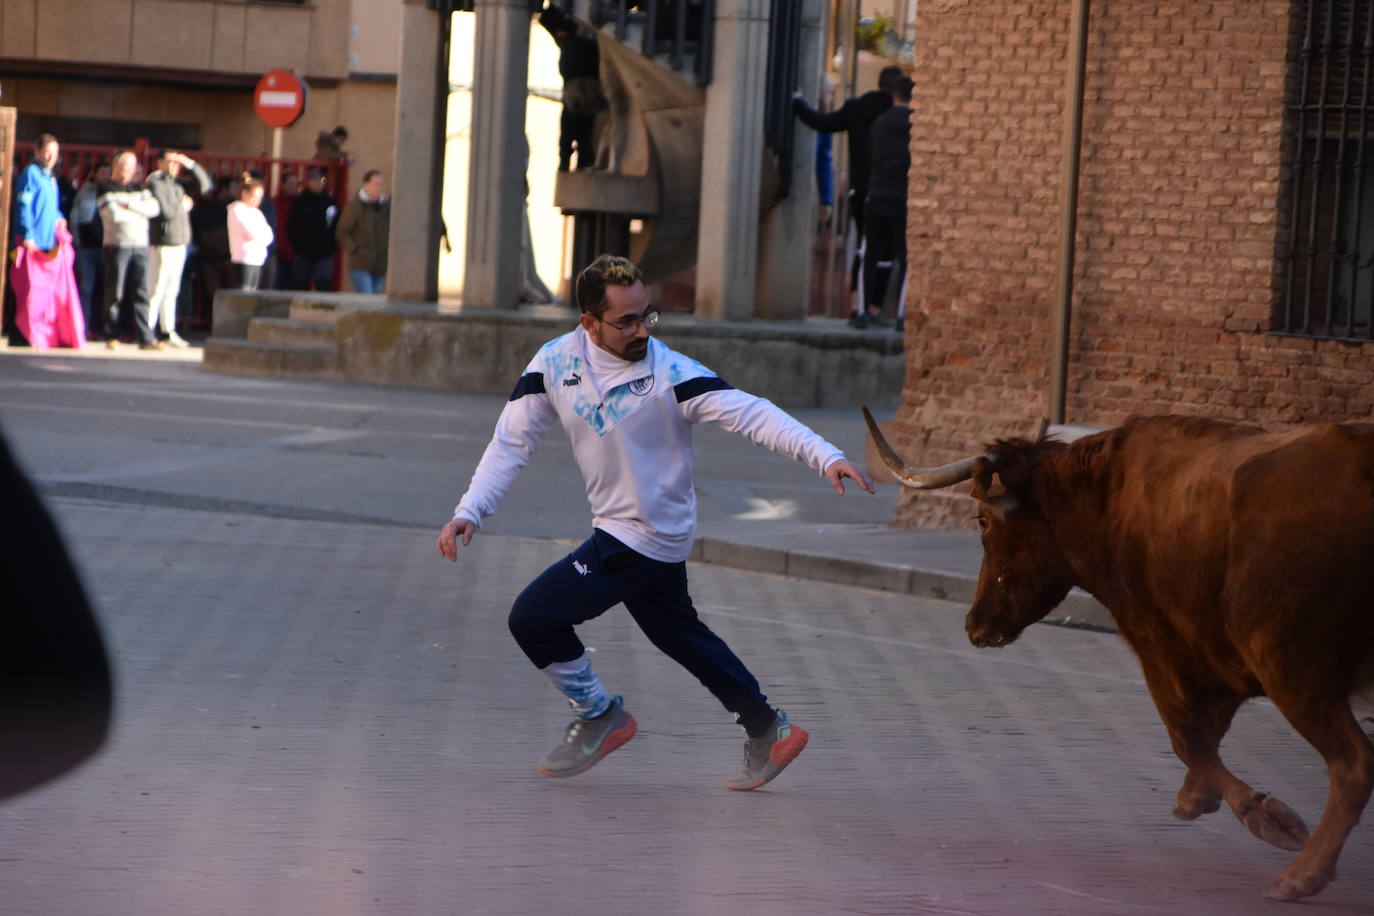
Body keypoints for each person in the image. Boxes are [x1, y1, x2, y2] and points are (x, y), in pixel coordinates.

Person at [435, 254, 875, 789]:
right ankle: (767, 728)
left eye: (648, 316)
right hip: (631, 533)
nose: (642, 329)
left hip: (643, 535)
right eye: (627, 321)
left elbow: (754, 414)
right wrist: (469, 510)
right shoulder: (553, 364)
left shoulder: (671, 374)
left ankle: (599, 715)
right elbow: (511, 444)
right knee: (678, 634)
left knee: (533, 617)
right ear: (588, 323)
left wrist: (825, 455)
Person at [793, 65, 901, 326]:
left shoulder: (855, 108)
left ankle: (856, 306)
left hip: (861, 190)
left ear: (878, 83)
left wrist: (797, 101)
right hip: (894, 193)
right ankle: (875, 308)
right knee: (888, 251)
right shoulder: (898, 117)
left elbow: (822, 122)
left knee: (864, 249)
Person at [10, 135, 83, 349]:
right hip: (26, 244)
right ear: (37, 152)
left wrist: (59, 218)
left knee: (41, 292)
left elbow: (51, 208)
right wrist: (27, 235)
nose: (51, 156)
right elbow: (23, 207)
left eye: (55, 152)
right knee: (23, 290)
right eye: (47, 151)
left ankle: (35, 332)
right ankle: (18, 333)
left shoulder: (50, 178)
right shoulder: (30, 175)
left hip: (46, 245)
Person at [863, 75, 914, 330]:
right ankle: (901, 314)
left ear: (893, 95)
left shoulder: (879, 123)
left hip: (877, 194)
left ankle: (865, 309)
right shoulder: (916, 127)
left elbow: (870, 155)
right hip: (902, 198)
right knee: (904, 258)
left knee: (871, 253)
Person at [98, 150, 162, 350]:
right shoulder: (105, 188)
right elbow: (114, 216)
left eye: (131, 166)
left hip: (140, 245)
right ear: (115, 166)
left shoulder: (140, 188)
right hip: (117, 245)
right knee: (114, 292)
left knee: (142, 292)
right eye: (123, 165)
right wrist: (138, 211)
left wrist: (129, 205)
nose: (127, 170)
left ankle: (146, 337)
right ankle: (111, 335)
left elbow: (154, 209)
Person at [146, 150, 210, 347]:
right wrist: (182, 206)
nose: (175, 166)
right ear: (159, 162)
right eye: (170, 162)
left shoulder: (177, 183)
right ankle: (148, 330)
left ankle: (168, 330)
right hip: (163, 242)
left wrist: (189, 163)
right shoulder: (155, 181)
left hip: (180, 241)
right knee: (156, 288)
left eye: (177, 163)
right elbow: (164, 210)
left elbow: (205, 186)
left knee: (172, 290)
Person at [538, 4, 603, 172]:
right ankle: (569, 158)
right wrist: (565, 33)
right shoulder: (568, 25)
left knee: (584, 119)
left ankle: (581, 159)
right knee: (573, 118)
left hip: (586, 73)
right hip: (578, 73)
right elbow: (547, 17)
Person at [335, 170, 389, 294]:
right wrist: (355, 249)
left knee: (375, 302)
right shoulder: (355, 206)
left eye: (381, 184)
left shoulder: (387, 205)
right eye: (376, 184)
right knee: (367, 299)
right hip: (360, 264)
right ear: (366, 184)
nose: (379, 187)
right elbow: (342, 232)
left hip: (381, 265)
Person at [285, 167, 338, 291]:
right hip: (302, 253)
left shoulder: (330, 202)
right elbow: (291, 225)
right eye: (314, 180)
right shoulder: (299, 201)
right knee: (299, 286)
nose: (318, 183)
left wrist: (331, 246)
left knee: (323, 284)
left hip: (324, 253)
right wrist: (297, 245)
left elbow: (337, 225)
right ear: (308, 182)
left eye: (321, 180)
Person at [71, 163, 108, 336]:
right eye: (102, 172)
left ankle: (100, 328)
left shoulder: (112, 192)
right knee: (86, 288)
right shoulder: (84, 193)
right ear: (94, 174)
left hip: (107, 248)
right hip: (87, 247)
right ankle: (83, 328)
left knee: (106, 290)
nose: (105, 176)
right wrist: (76, 240)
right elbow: (75, 218)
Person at [226, 174, 274, 291]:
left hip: (257, 258)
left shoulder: (257, 212)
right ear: (244, 194)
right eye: (253, 196)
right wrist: (260, 235)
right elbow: (250, 232)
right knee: (243, 293)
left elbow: (269, 235)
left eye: (259, 198)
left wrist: (260, 236)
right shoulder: (236, 209)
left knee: (254, 294)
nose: (256, 201)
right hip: (243, 258)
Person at [272, 171, 299, 289]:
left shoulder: (300, 203)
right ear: (282, 185)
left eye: (295, 184)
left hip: (296, 254)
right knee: (275, 288)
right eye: (290, 183)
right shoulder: (275, 203)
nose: (293, 187)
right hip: (277, 254)